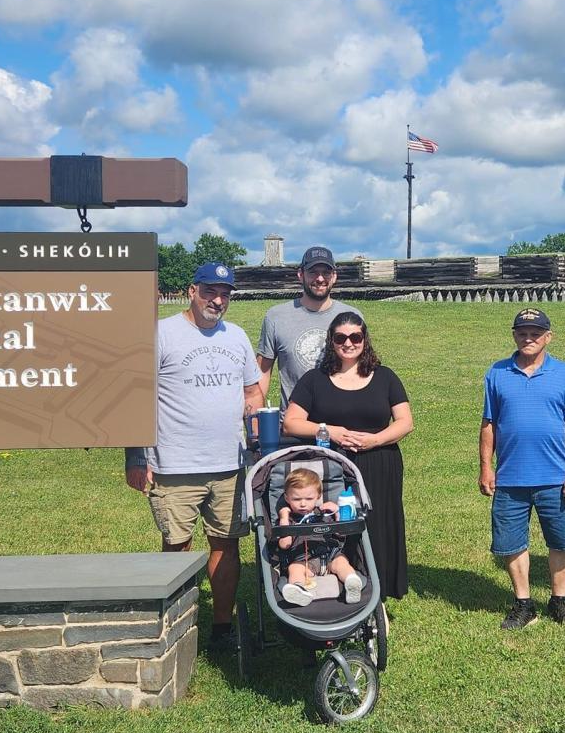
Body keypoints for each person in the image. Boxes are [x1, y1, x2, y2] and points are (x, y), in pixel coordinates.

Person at [125, 262, 261, 650]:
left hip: (230, 465)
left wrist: (255, 427)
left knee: (226, 545)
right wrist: (135, 457)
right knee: (177, 547)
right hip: (174, 464)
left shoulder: (236, 336)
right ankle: (176, 628)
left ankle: (221, 628)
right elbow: (135, 396)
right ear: (192, 291)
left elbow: (252, 392)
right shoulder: (161, 333)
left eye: (225, 294)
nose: (217, 300)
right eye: (210, 292)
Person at [283, 313, 413, 601]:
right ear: (331, 341)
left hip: (380, 461)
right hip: (334, 465)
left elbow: (405, 422)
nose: (348, 343)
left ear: (364, 340)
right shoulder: (314, 380)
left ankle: (378, 592)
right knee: (339, 527)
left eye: (355, 337)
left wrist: (375, 439)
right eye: (340, 337)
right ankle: (341, 587)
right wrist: (331, 431)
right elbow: (291, 423)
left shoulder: (385, 376)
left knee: (378, 524)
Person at [480, 308, 565, 630]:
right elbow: (489, 424)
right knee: (511, 543)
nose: (529, 338)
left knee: (562, 541)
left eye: (536, 333)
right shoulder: (497, 373)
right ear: (514, 335)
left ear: (548, 337)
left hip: (555, 477)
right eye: (523, 333)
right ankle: (523, 603)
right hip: (510, 477)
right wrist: (486, 467)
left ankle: (560, 601)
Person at [256, 245, 361, 421]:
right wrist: (256, 420)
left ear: (334, 276)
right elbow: (262, 372)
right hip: (294, 424)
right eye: (313, 272)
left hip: (341, 423)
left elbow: (362, 368)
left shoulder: (352, 316)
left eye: (326, 273)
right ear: (301, 275)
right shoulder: (276, 317)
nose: (320, 278)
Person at [276, 467, 363, 606]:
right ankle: (298, 590)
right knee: (294, 569)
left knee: (341, 562)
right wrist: (284, 518)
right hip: (304, 562)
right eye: (296, 499)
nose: (303, 503)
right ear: (287, 498)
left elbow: (341, 534)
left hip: (330, 556)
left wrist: (337, 513)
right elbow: (284, 545)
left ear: (318, 496)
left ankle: (351, 582)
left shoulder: (324, 514)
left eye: (309, 499)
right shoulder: (289, 520)